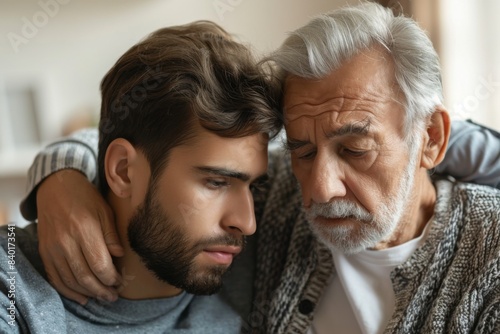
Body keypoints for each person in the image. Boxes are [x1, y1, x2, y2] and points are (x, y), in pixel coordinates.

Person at [15, 2, 500, 333]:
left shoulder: (490, 254)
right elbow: (148, 141)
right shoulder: (277, 202)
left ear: (430, 138)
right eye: (301, 151)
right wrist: (63, 177)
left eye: (355, 150)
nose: (321, 188)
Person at [0, 21, 282, 333]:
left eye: (253, 186)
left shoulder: (260, 264)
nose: (246, 223)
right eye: (216, 182)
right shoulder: (13, 285)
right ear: (123, 171)